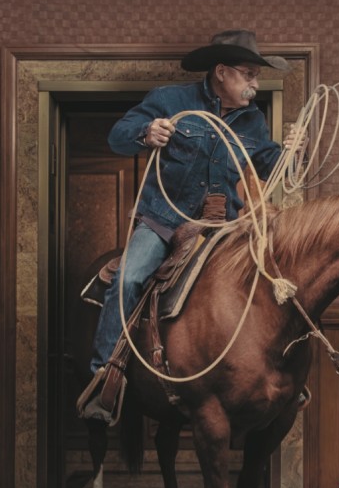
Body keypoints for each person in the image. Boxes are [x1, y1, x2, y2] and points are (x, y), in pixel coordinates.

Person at [82, 29, 302, 421]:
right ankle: (105, 377)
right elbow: (118, 137)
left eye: (256, 77)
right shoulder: (170, 100)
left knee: (274, 280)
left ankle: (282, 378)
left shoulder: (253, 121)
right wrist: (146, 133)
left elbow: (270, 168)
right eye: (249, 74)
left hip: (226, 229)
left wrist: (290, 154)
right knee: (129, 278)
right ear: (221, 71)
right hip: (165, 221)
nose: (255, 84)